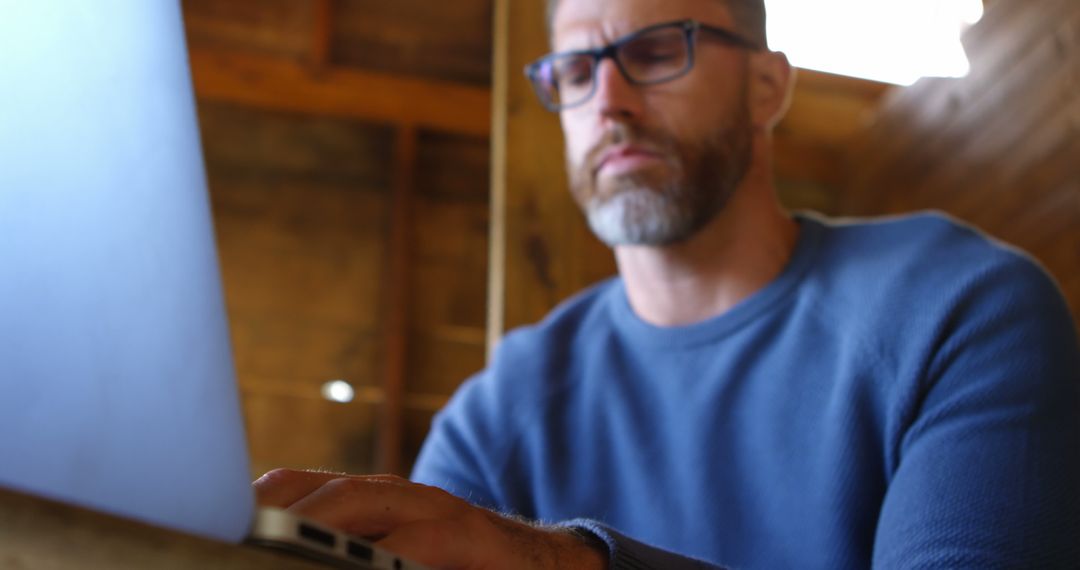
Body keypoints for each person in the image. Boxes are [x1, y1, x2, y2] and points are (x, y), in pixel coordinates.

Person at [254, 0, 1080, 567]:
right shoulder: (496, 413)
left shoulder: (961, 309)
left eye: (653, 51)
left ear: (768, 85)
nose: (607, 100)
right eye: (575, 72)